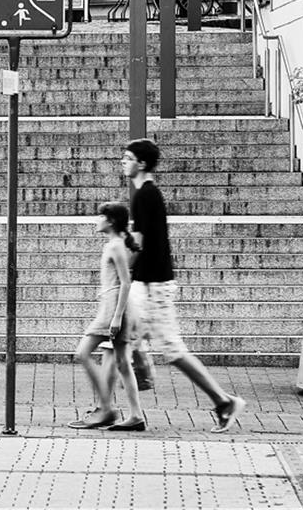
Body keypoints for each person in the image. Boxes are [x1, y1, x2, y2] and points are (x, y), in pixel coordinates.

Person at [122, 138, 246, 433]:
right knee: (125, 339)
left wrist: (120, 265)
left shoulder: (144, 195)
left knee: (172, 350)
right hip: (148, 281)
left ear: (141, 163)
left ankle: (223, 401)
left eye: (127, 158)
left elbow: (138, 243)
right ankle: (128, 399)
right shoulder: (146, 193)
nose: (123, 162)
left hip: (153, 283)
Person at [67, 202, 146, 431]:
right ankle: (135, 415)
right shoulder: (118, 244)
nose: (96, 219)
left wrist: (117, 317)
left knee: (82, 353)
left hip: (113, 308)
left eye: (100, 216)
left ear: (110, 221)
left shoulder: (114, 246)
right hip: (114, 306)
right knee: (122, 363)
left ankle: (106, 408)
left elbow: (125, 282)